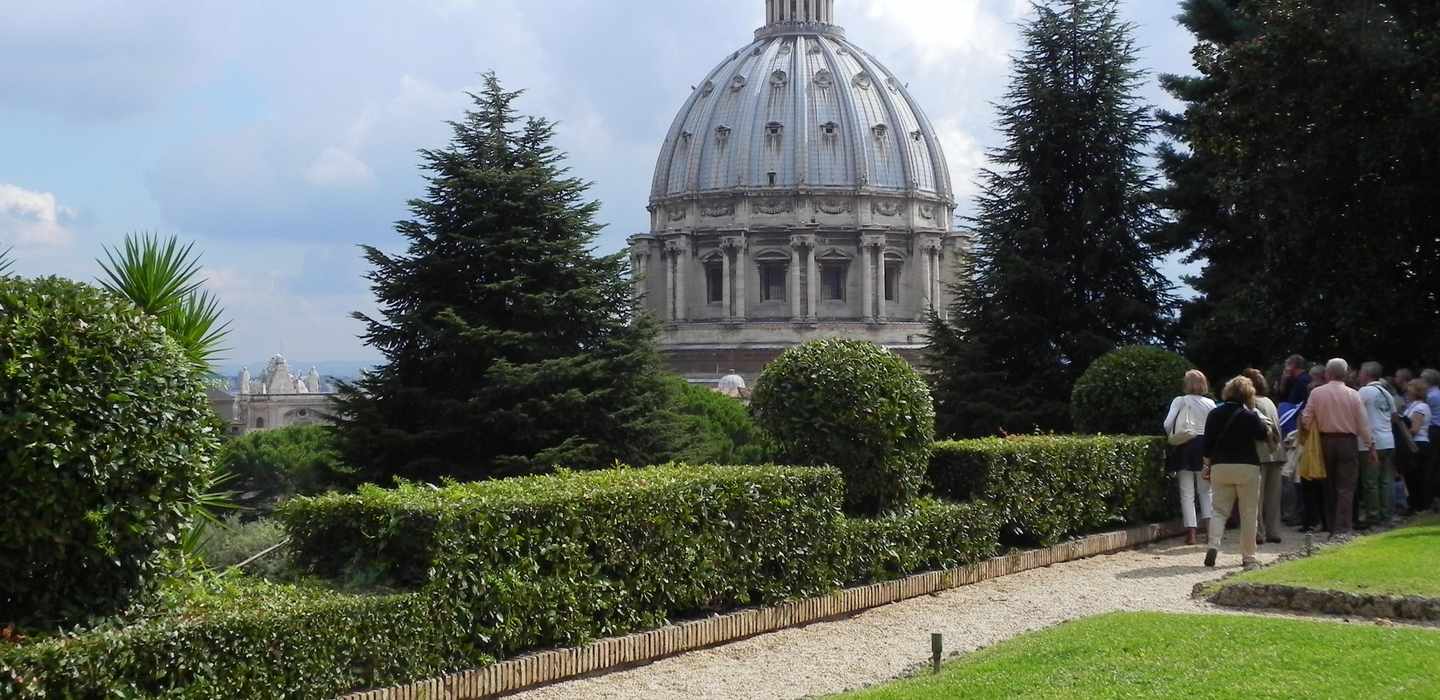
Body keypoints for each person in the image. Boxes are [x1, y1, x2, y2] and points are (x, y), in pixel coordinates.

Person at [1202, 376, 1274, 570]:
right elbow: (1262, 434)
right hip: (1247, 466)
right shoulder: (1250, 415)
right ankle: (1248, 556)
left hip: (1221, 466)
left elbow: (1207, 444)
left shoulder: (1214, 414)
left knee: (1219, 510)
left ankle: (1213, 545)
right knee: (1249, 512)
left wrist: (1207, 465)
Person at [1302, 359, 1377, 539]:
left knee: (1328, 486)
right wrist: (1370, 445)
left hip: (1324, 442)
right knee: (1346, 487)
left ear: (1327, 373)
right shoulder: (1353, 394)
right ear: (1345, 373)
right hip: (1347, 442)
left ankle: (1331, 527)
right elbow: (1363, 424)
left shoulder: (1316, 393)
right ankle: (1343, 529)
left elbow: (1306, 419)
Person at [1164, 370, 1216, 545]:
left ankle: (1192, 534)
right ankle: (1210, 532)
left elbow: (1167, 424)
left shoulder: (1180, 401)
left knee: (1187, 493)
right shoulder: (1210, 403)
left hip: (1186, 445)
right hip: (1205, 447)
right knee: (1206, 491)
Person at [1244, 369, 1286, 544]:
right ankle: (1274, 531)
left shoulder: (1250, 403)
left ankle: (1258, 532)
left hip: (1259, 453)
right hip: (1276, 452)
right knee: (1273, 496)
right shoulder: (1270, 402)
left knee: (1257, 497)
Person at [1356, 362, 1397, 527]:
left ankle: (1373, 515)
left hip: (1371, 442)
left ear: (1366, 374)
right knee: (1386, 481)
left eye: (1360, 372)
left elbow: (1354, 411)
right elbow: (1394, 416)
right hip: (1389, 440)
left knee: (1370, 482)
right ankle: (1387, 514)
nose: (1358, 375)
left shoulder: (1364, 391)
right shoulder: (1387, 393)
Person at [1407, 377, 1436, 514]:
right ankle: (1418, 504)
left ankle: (1420, 505)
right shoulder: (1413, 406)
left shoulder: (1420, 407)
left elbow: (1414, 429)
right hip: (1417, 443)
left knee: (1418, 476)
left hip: (1419, 444)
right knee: (1416, 476)